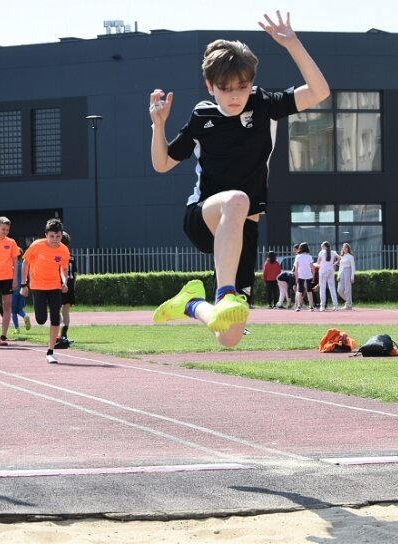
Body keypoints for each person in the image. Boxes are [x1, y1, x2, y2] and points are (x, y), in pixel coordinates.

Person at [149, 10, 329, 347]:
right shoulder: (202, 116)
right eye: (225, 88)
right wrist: (158, 125)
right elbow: (163, 164)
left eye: (242, 87)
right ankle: (226, 291)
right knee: (237, 199)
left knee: (228, 336)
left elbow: (319, 92)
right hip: (204, 217)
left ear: (251, 83)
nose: (234, 96)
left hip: (241, 233)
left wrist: (293, 45)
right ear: (209, 85)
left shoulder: (262, 104)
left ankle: (189, 302)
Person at [20, 218, 70, 364]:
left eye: (58, 236)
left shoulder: (64, 250)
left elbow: (64, 269)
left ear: (61, 235)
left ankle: (50, 352)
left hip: (54, 286)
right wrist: (24, 284)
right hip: (38, 286)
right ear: (46, 234)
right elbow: (25, 262)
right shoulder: (37, 246)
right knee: (41, 320)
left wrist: (64, 281)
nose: (55, 240)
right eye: (52, 236)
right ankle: (44, 313)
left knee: (55, 318)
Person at [0, 217, 21, 346]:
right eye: (3, 229)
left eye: (7, 229)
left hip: (7, 278)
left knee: (7, 306)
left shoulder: (12, 242)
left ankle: (3, 335)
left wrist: (15, 280)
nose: (5, 232)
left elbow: (15, 262)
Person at [56, 231, 77, 349]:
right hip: (69, 283)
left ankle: (58, 335)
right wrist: (73, 287)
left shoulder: (57, 255)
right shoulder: (71, 256)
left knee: (56, 310)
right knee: (66, 310)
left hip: (59, 284)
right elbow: (75, 273)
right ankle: (64, 335)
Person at [10, 252, 31, 333]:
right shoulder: (24, 265)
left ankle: (17, 328)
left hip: (14, 290)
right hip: (22, 289)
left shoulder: (12, 267)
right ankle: (25, 315)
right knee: (19, 309)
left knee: (13, 311)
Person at [316, 241, 340, 311]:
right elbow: (339, 258)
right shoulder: (333, 252)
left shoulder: (321, 252)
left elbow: (318, 262)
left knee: (322, 289)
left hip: (323, 271)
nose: (321, 248)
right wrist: (334, 264)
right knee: (332, 288)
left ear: (324, 247)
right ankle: (336, 306)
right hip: (330, 271)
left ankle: (322, 306)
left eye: (322, 247)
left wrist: (319, 265)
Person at [293, 242, 316, 311]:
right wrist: (313, 276)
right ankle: (311, 306)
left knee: (299, 291)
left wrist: (296, 278)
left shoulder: (298, 257)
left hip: (301, 275)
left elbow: (296, 268)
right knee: (309, 291)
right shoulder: (309, 257)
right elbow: (313, 268)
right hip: (308, 275)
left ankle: (298, 306)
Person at [336, 242, 355, 310]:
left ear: (348, 249)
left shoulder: (351, 257)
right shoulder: (342, 257)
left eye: (346, 247)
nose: (345, 249)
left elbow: (353, 267)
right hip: (342, 273)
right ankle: (349, 301)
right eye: (344, 247)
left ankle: (348, 304)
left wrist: (352, 277)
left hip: (348, 272)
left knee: (347, 289)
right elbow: (341, 267)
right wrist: (338, 275)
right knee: (339, 290)